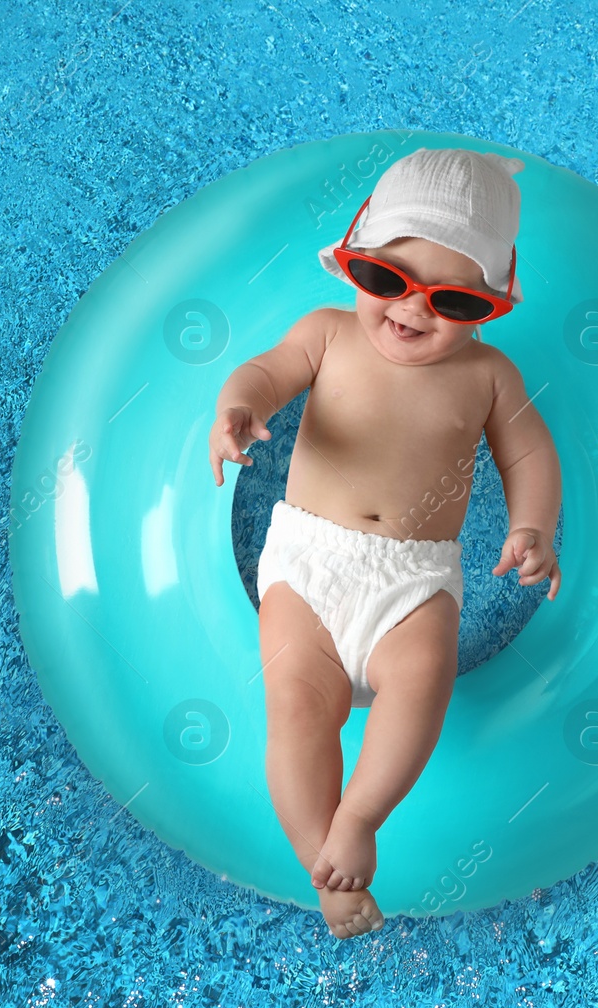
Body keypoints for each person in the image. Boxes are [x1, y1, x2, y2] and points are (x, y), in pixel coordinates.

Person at [208, 148, 562, 939]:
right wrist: (235, 410)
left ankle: (360, 814)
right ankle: (323, 862)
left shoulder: (491, 377)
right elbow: (264, 373)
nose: (412, 309)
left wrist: (531, 526)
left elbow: (530, 455)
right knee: (298, 707)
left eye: (454, 299)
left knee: (422, 682)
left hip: (416, 581)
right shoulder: (327, 333)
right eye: (386, 279)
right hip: (306, 561)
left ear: (493, 306)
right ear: (350, 264)